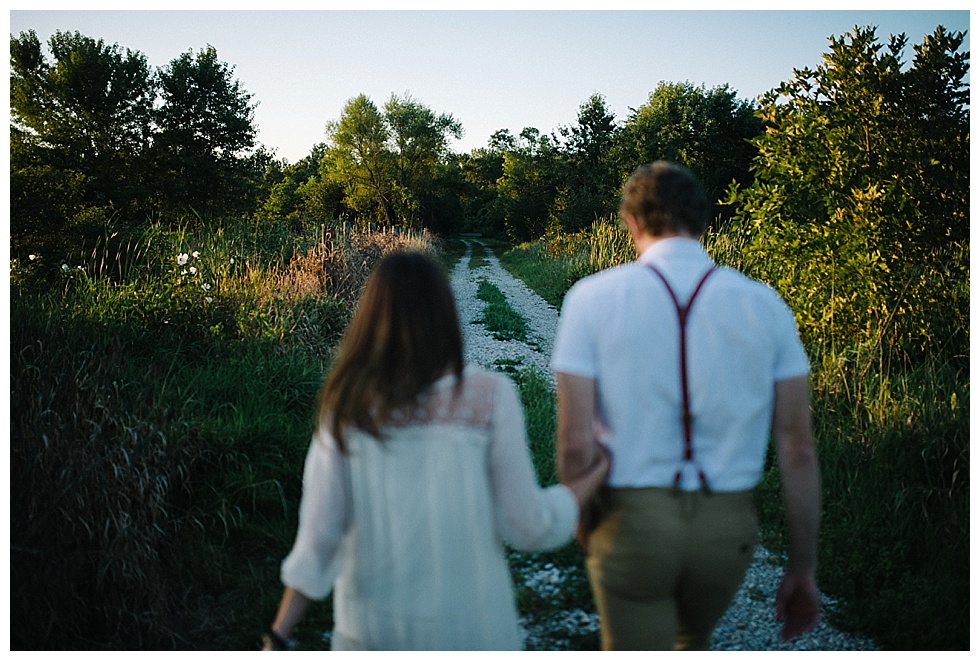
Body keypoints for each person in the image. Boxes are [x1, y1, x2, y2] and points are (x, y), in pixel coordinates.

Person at [263, 249, 609, 651]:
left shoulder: (347, 405)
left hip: (372, 635)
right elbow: (526, 526)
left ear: (370, 317)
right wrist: (589, 480)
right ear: (446, 313)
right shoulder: (489, 397)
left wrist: (279, 633)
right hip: (474, 632)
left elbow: (320, 535)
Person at [551, 161, 821, 650]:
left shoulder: (590, 299)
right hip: (727, 528)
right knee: (692, 642)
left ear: (630, 222)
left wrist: (582, 523)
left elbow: (574, 444)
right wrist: (802, 566)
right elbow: (797, 446)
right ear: (702, 221)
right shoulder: (765, 305)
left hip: (631, 522)